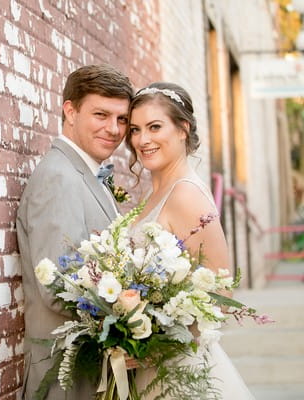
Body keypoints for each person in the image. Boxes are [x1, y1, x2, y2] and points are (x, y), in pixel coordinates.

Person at [126, 82, 254, 399]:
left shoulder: (185, 194)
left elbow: (222, 292)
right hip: (148, 366)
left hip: (178, 372)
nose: (143, 140)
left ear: (183, 128)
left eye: (155, 127)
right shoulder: (154, 193)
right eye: (135, 129)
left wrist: (159, 343)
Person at [16, 64, 134, 399]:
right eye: (101, 114)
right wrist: (137, 313)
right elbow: (58, 287)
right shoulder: (59, 178)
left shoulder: (85, 173)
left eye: (121, 119)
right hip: (66, 381)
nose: (113, 129)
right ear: (70, 110)